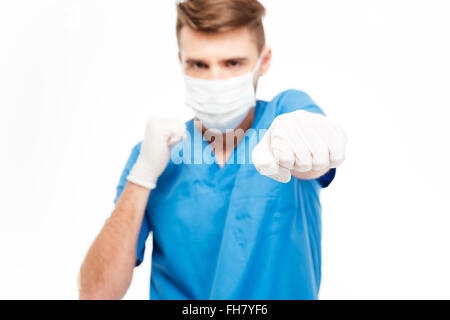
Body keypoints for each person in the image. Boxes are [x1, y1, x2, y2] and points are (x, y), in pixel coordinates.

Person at [78, 0, 347, 300]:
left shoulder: (285, 116)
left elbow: (315, 151)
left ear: (264, 60)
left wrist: (311, 147)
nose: (216, 80)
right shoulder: (153, 157)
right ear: (181, 63)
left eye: (233, 63)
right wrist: (141, 178)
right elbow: (96, 295)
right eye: (199, 65)